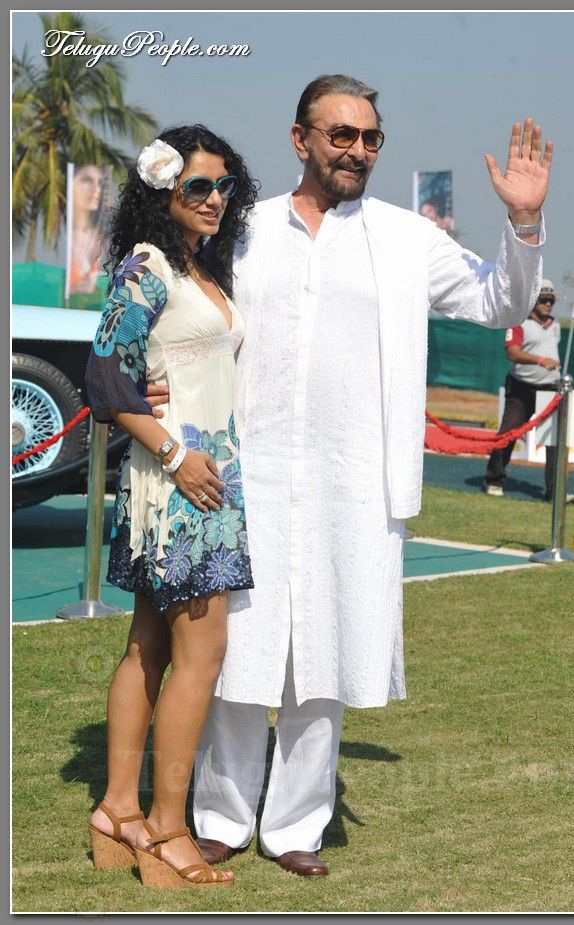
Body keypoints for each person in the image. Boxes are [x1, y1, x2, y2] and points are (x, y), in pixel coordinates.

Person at [148, 74, 552, 878]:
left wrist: (525, 219)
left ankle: (296, 825)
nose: (357, 151)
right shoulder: (244, 228)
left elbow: (500, 300)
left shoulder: (407, 238)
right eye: (341, 135)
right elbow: (185, 314)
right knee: (237, 650)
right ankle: (221, 815)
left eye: (370, 138)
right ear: (300, 139)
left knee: (327, 656)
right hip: (245, 476)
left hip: (356, 480)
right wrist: (158, 381)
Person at [84, 124, 257, 888]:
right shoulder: (150, 265)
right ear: (165, 191)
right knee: (199, 657)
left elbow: (157, 371)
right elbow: (104, 376)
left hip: (200, 478)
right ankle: (165, 829)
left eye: (225, 185)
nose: (215, 198)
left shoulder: (200, 267)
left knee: (149, 647)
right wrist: (178, 456)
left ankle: (117, 811)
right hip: (182, 484)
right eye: (199, 186)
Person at [483, 279, 574, 502]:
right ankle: (494, 480)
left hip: (550, 389)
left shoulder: (555, 324)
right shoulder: (518, 322)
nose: (548, 304)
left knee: (555, 441)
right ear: (533, 300)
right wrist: (540, 360)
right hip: (521, 389)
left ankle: (555, 492)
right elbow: (512, 352)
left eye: (551, 300)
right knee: (508, 433)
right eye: (544, 299)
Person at [69, 164, 107, 294]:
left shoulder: (100, 239)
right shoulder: (62, 237)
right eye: (87, 180)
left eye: (99, 183)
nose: (96, 189)